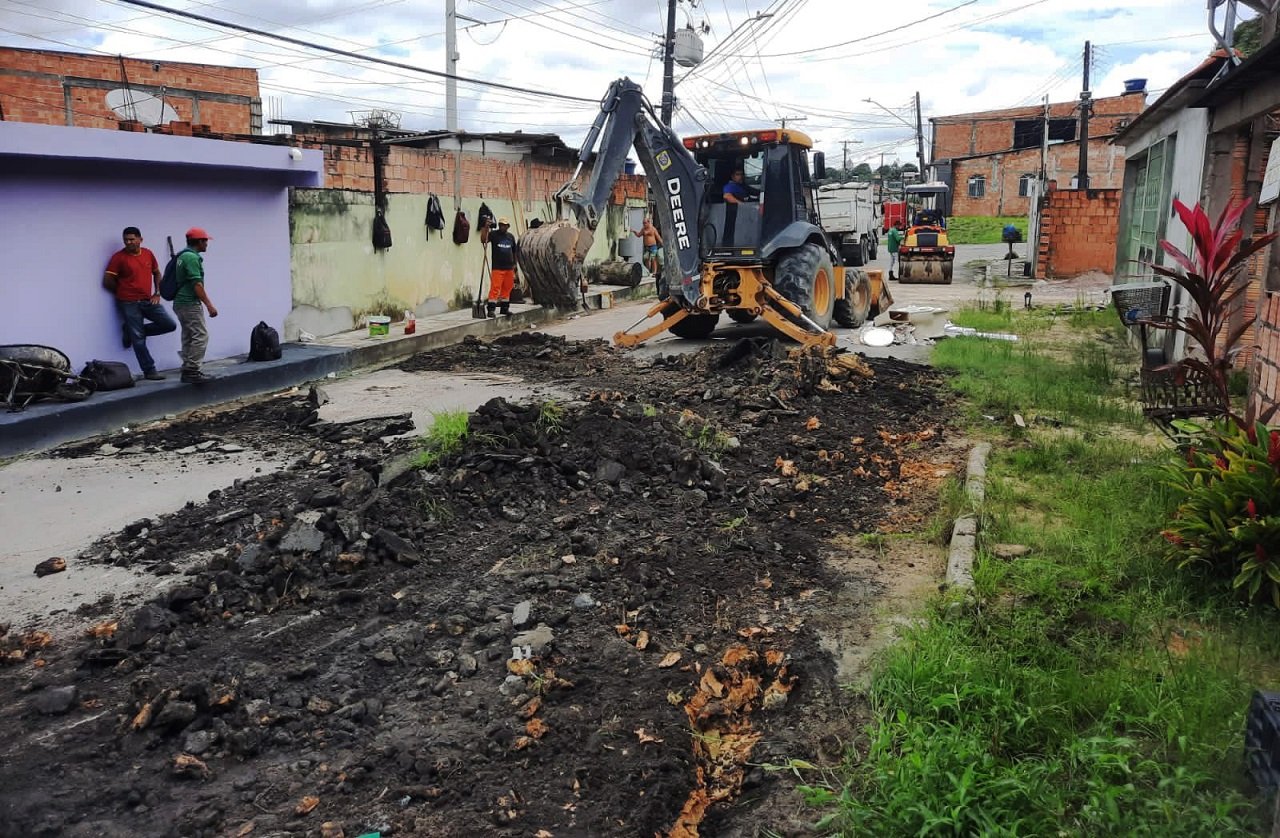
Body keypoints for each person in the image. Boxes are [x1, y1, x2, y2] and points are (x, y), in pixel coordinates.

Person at [103, 226, 176, 381]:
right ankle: (150, 371)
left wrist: (157, 293)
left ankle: (130, 331)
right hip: (129, 303)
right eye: (126, 240)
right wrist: (122, 292)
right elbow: (107, 280)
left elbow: (157, 273)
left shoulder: (148, 254)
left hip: (147, 300)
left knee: (169, 325)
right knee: (139, 339)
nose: (128, 242)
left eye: (131, 239)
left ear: (140, 239)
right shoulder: (119, 257)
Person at [172, 227, 218, 384]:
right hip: (189, 303)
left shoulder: (182, 255)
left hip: (180, 303)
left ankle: (187, 368)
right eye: (205, 241)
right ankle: (192, 370)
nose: (207, 244)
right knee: (201, 336)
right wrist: (209, 305)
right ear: (199, 241)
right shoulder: (191, 258)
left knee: (189, 336)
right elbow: (197, 284)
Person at [480, 216, 519, 317]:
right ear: (499, 225)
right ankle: (491, 309)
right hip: (497, 267)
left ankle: (504, 309)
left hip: (509, 267)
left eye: (504, 225)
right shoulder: (494, 235)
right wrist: (485, 227)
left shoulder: (510, 237)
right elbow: (483, 240)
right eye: (501, 225)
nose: (502, 227)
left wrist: (515, 265)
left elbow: (514, 251)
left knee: (507, 288)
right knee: (495, 288)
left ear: (508, 226)